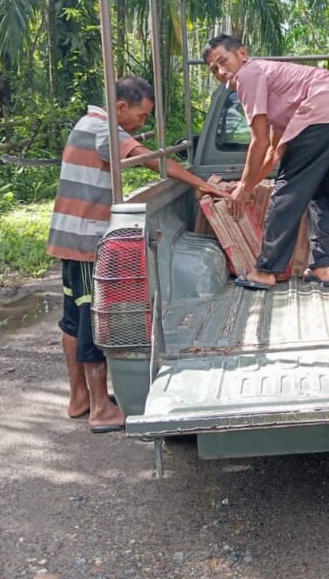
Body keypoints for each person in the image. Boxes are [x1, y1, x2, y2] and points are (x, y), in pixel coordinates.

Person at [46, 74, 228, 432]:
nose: (141, 124)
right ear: (120, 107)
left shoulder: (87, 123)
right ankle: (100, 409)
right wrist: (201, 183)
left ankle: (78, 397)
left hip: (69, 238)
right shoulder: (104, 130)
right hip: (85, 242)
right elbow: (151, 160)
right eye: (141, 116)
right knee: (91, 323)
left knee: (72, 318)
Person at [202, 34, 329, 290]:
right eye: (214, 69)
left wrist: (243, 188)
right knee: (325, 192)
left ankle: (266, 270)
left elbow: (259, 141)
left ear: (242, 53)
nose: (221, 71)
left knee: (287, 191)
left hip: (325, 110)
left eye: (224, 61)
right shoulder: (278, 85)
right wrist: (249, 185)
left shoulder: (248, 73)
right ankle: (323, 267)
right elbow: (273, 152)